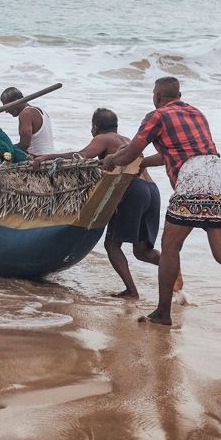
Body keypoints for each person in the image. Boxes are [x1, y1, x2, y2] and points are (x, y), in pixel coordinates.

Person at [102, 77, 221, 333]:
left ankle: (163, 312)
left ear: (157, 97)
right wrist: (143, 164)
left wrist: (112, 160)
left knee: (170, 246)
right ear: (179, 94)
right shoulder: (196, 113)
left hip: (193, 180)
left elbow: (129, 153)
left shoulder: (156, 116)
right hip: (218, 174)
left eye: (154, 94)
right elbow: (173, 153)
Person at [35, 108, 178, 298]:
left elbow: (81, 155)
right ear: (116, 126)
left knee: (112, 244)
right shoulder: (126, 139)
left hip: (132, 189)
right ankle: (173, 267)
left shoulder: (103, 138)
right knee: (143, 251)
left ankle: (132, 291)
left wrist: (47, 157)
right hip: (151, 189)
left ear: (95, 128)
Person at [0, 86, 55, 155]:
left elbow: (24, 145)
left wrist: (6, 149)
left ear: (16, 101)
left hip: (37, 157)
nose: (6, 111)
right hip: (50, 154)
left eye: (6, 106)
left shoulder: (25, 114)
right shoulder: (41, 111)